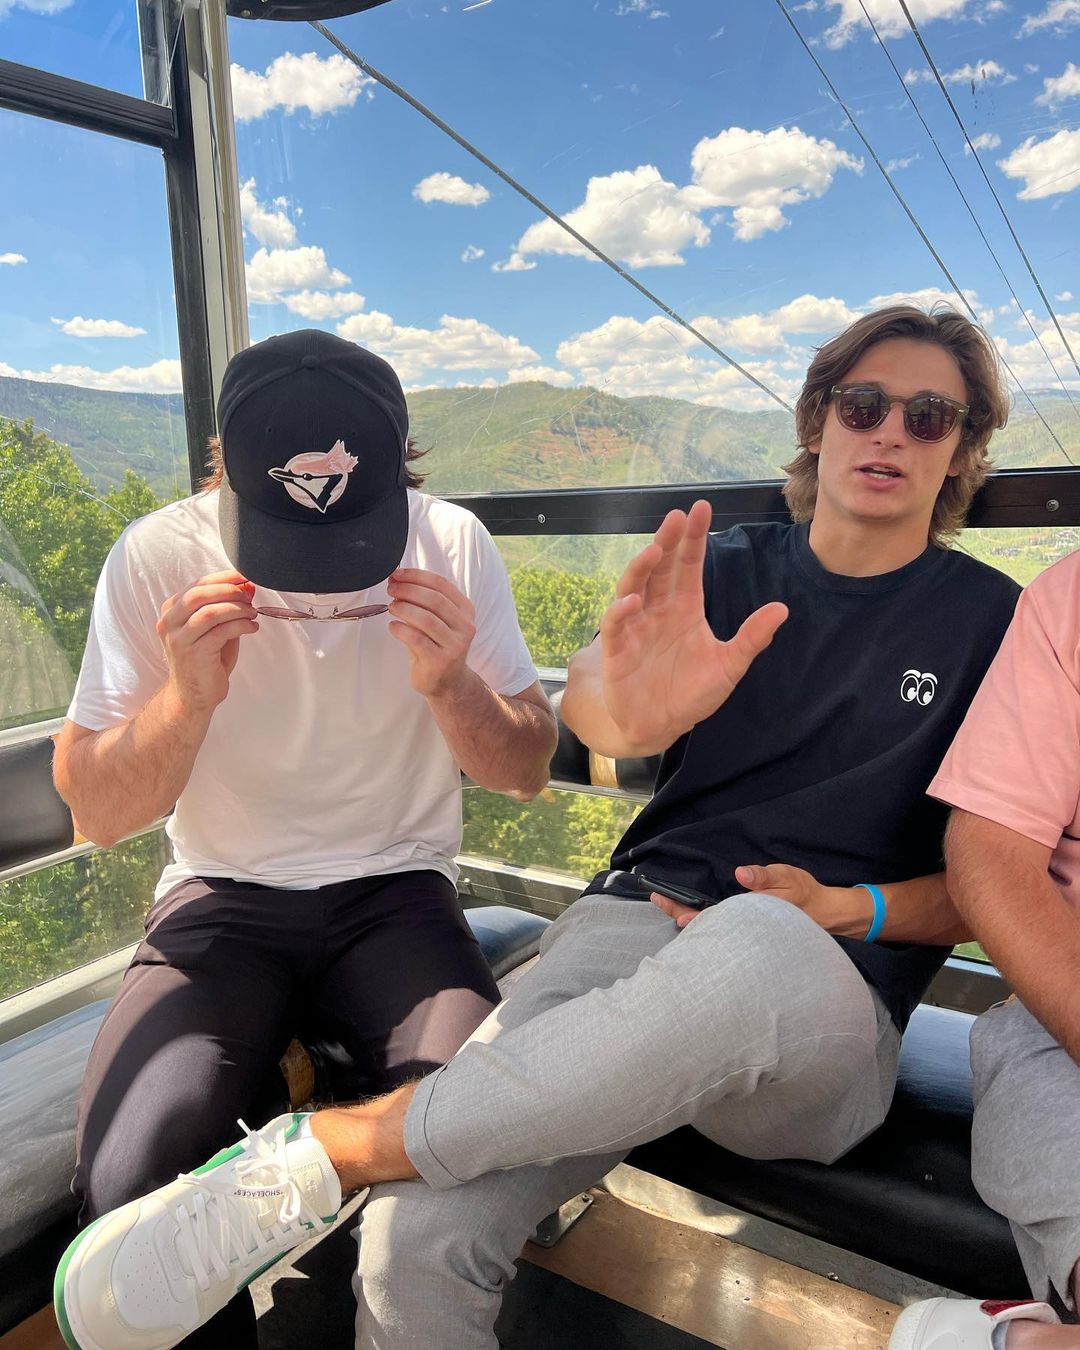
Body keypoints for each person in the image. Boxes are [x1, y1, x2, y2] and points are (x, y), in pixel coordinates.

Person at [56, 305, 1021, 1350]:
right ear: (820, 419)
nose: (890, 433)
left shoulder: (992, 626)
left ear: (963, 448)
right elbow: (596, 717)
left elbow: (1006, 885)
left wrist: (846, 909)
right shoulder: (713, 569)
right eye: (864, 405)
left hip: (814, 984)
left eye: (928, 417)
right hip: (623, 926)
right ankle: (345, 1169)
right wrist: (629, 717)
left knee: (758, 936)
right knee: (414, 1235)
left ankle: (333, 1150)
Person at [49, 328, 557, 1350]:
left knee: (481, 1147)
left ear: (398, 467)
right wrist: (186, 701)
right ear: (229, 470)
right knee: (129, 1189)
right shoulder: (158, 554)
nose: (323, 584)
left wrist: (452, 685)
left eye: (350, 537)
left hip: (397, 889)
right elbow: (95, 811)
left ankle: (317, 1157)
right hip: (222, 891)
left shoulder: (451, 543)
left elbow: (525, 766)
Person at [887, 551, 1080, 1349]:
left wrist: (849, 909)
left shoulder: (984, 603)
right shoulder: (1069, 602)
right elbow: (989, 853)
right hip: (1059, 1013)